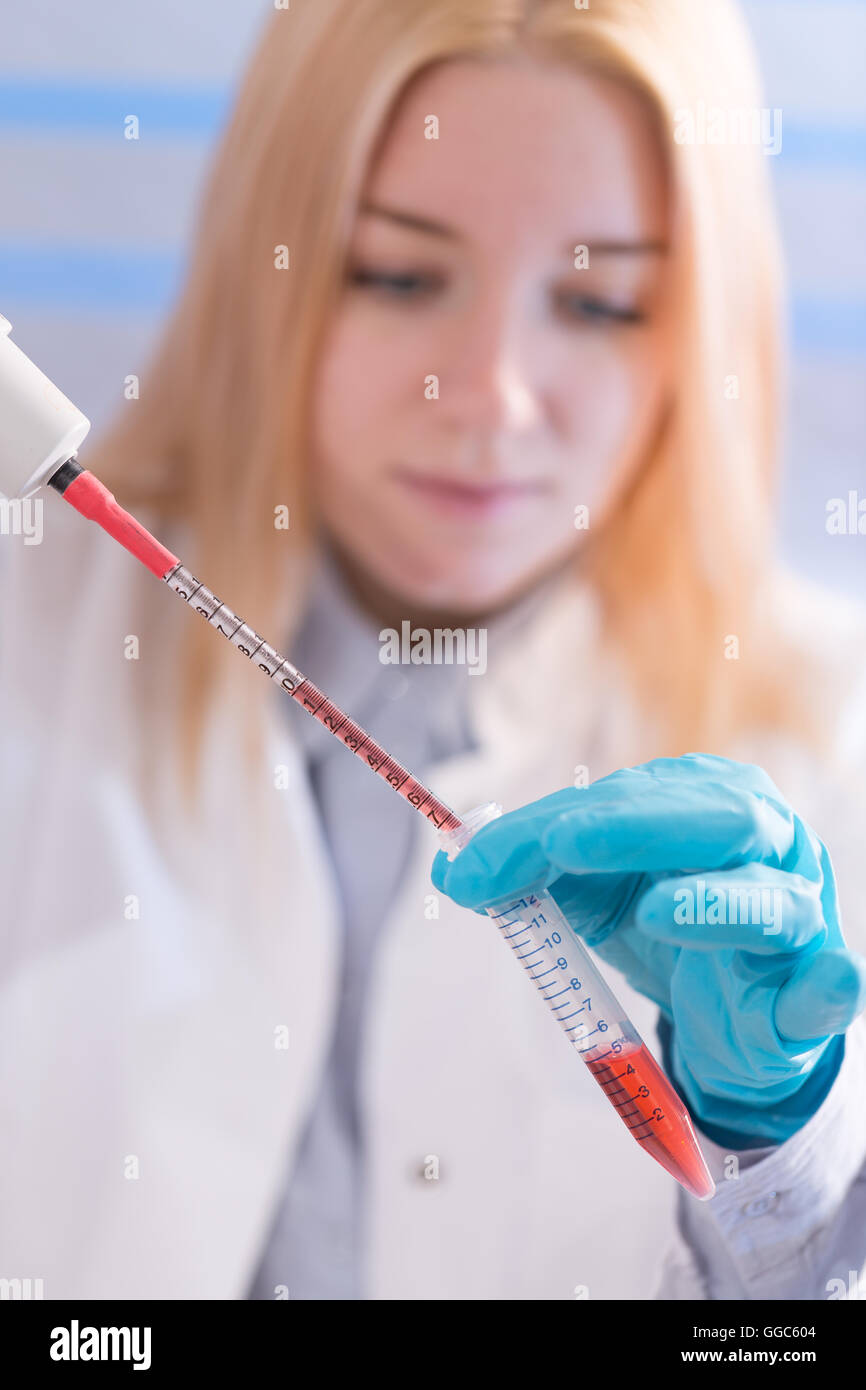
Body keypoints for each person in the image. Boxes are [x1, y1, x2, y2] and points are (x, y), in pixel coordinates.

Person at [1, 0, 865, 1301]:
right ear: (265, 268)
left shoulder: (829, 730)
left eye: (597, 297)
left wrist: (776, 1159)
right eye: (399, 275)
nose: (488, 394)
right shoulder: (35, 623)